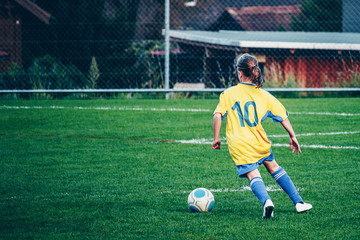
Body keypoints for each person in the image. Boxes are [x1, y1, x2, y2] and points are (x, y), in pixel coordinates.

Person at [212, 53, 312, 218]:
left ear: (240, 73)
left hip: (240, 143)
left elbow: (217, 115)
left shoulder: (228, 93)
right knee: (274, 167)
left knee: (253, 173)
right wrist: (292, 135)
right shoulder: (263, 94)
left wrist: (216, 138)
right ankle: (299, 202)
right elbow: (282, 115)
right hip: (259, 139)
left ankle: (267, 202)